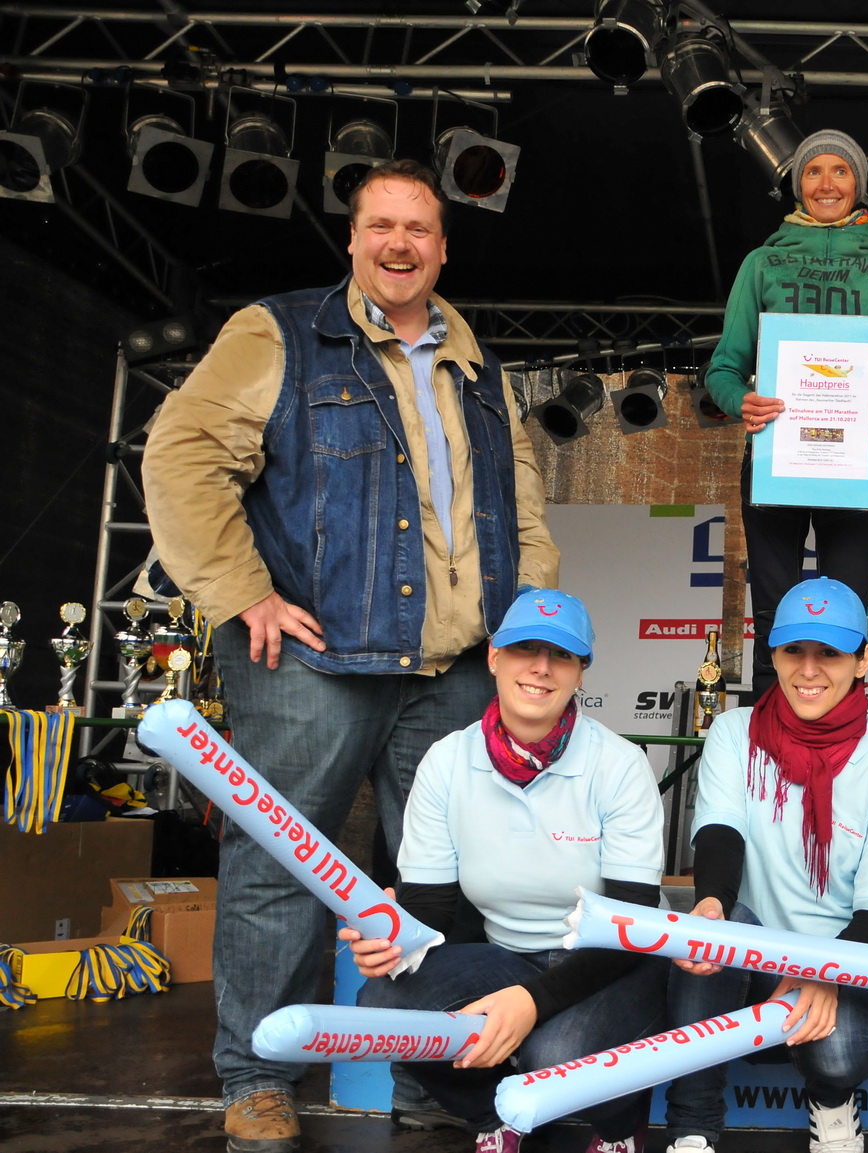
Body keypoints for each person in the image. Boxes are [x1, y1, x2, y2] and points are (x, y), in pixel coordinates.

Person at [141, 158, 560, 1152]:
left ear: (442, 248)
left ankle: (434, 1073)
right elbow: (183, 453)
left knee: (448, 882)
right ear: (353, 238)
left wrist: (519, 618)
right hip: (313, 664)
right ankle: (258, 1079)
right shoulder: (278, 331)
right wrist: (242, 590)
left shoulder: (479, 365)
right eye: (381, 225)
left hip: (453, 666)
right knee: (279, 869)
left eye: (418, 228)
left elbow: (521, 508)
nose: (399, 244)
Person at [348, 588, 665, 1153]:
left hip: (613, 962)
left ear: (581, 673)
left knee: (555, 1054)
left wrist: (532, 1003)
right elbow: (429, 908)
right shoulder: (447, 761)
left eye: (561, 655)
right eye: (525, 649)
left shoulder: (619, 765)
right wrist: (392, 937)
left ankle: (620, 1125)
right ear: (494, 656)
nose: (541, 668)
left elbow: (629, 926)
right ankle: (494, 1116)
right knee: (382, 1010)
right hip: (508, 956)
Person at [664, 577, 868, 1153]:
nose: (808, 670)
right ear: (772, 655)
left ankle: (830, 1100)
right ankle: (692, 1130)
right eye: (793, 651)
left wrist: (823, 973)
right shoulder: (735, 731)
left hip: (837, 959)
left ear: (863, 660)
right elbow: (722, 831)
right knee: (714, 931)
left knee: (842, 1054)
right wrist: (711, 903)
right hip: (750, 949)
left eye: (829, 653)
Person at [700, 130, 868, 701]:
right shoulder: (762, 263)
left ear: (860, 183)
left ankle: (842, 739)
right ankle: (766, 735)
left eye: (840, 171)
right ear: (797, 184)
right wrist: (739, 400)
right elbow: (723, 368)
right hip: (776, 460)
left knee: (845, 611)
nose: (827, 183)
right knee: (774, 608)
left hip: (857, 464)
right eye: (813, 171)